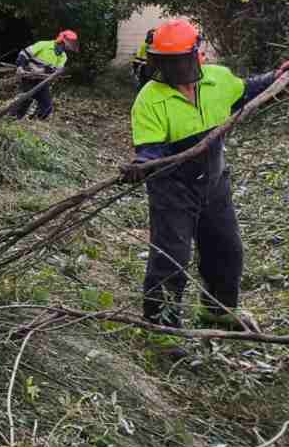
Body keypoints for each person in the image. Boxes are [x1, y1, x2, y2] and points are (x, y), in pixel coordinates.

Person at [121, 19, 289, 344]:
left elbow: (249, 90)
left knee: (226, 249)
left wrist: (278, 78)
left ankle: (218, 312)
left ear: (195, 55)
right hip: (172, 188)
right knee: (171, 256)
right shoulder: (149, 99)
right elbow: (150, 151)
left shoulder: (218, 79)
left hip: (214, 181)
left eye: (179, 61)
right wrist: (141, 166)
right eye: (166, 62)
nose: (174, 69)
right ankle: (161, 327)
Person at [8, 29, 79, 120]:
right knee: (25, 100)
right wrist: (20, 67)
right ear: (62, 40)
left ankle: (34, 121)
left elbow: (56, 71)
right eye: (69, 43)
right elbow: (24, 54)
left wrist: (42, 70)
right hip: (28, 77)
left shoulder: (63, 56)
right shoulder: (44, 44)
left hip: (42, 81)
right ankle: (11, 118)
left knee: (47, 106)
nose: (69, 46)